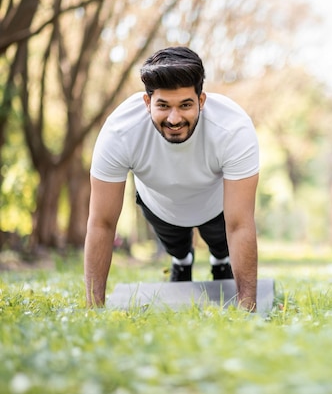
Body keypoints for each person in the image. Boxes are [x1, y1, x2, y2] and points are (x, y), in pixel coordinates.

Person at [84, 46, 260, 311]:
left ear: (201, 101)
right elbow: (102, 223)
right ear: (147, 103)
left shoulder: (233, 128)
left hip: (216, 208)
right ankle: (181, 262)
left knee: (221, 243)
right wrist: (93, 309)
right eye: (163, 106)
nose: (174, 118)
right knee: (177, 248)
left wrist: (248, 310)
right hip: (160, 206)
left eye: (185, 105)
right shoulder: (120, 131)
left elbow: (240, 225)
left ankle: (219, 262)